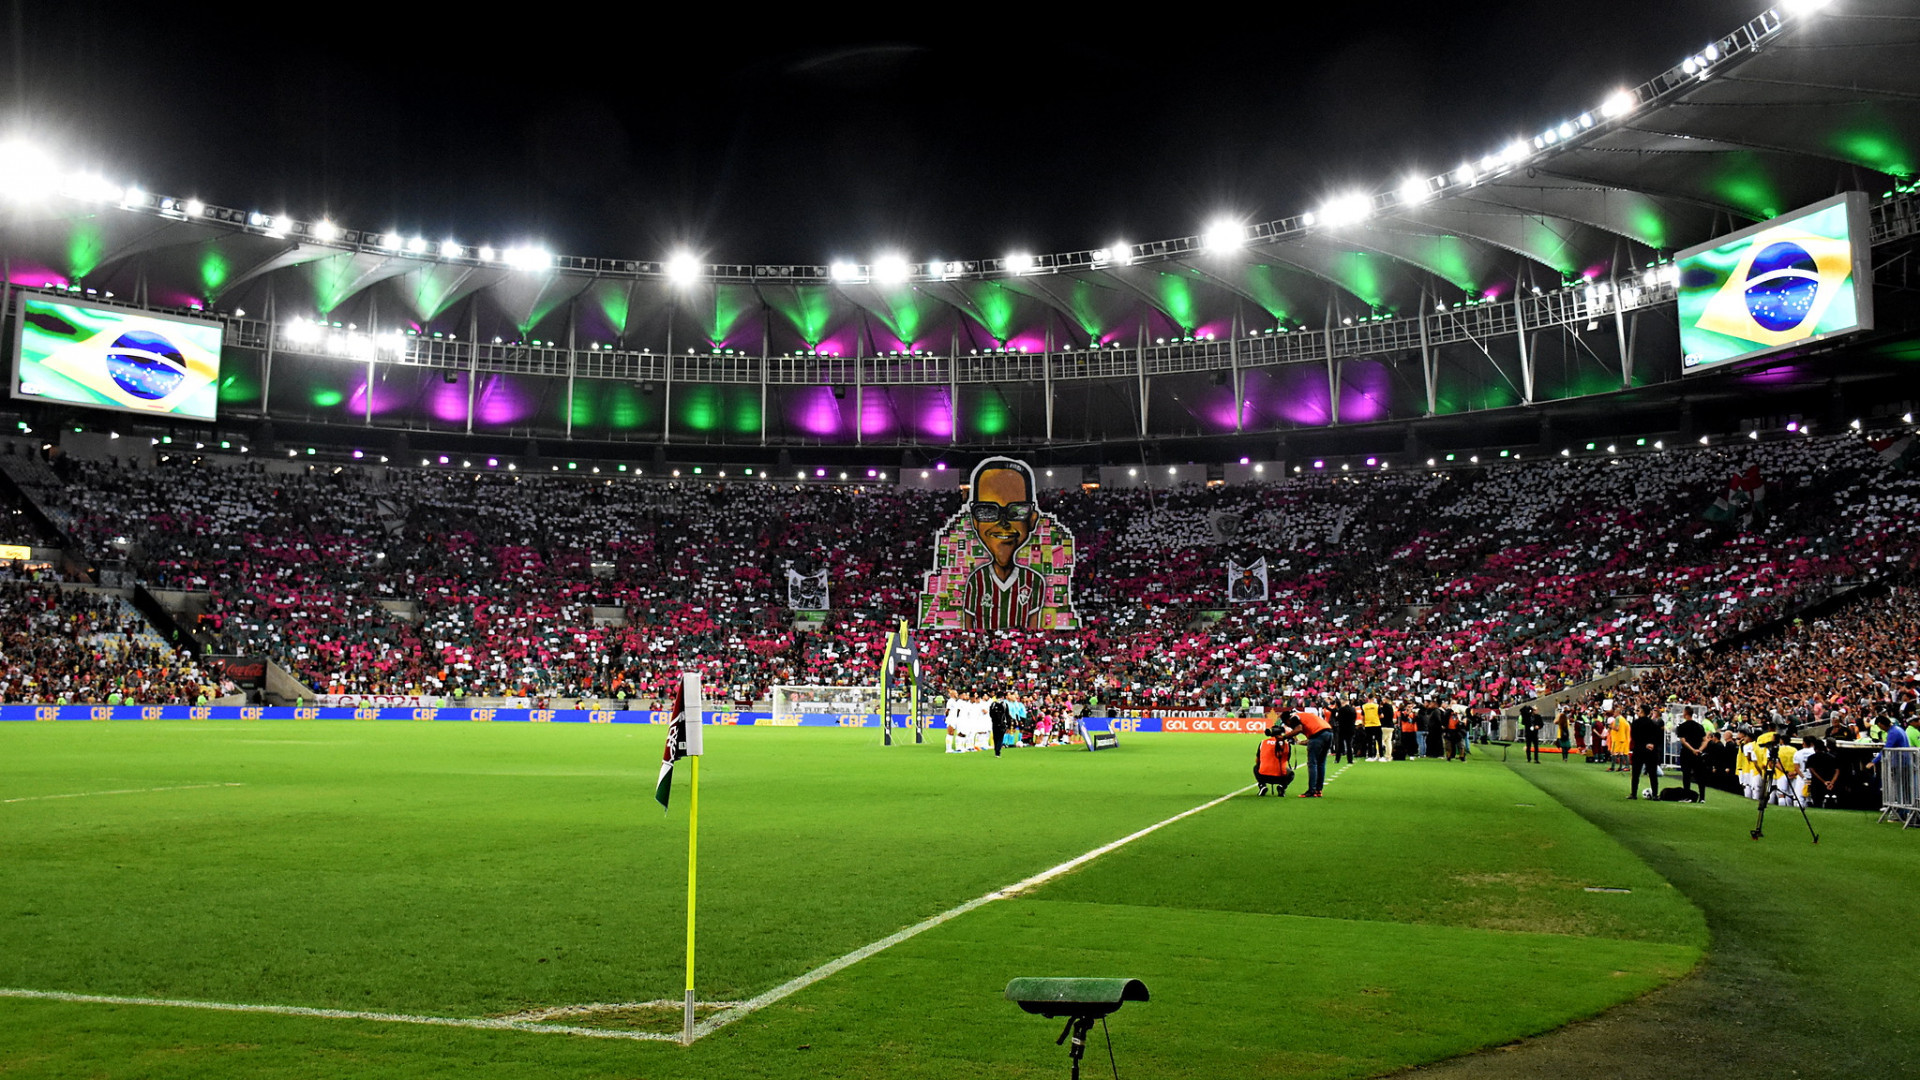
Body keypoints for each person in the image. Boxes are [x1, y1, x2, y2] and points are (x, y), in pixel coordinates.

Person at [960, 457, 1049, 630]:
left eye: (1016, 511)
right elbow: (968, 624)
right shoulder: (976, 580)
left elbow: (1033, 626)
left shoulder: (1034, 580)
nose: (1003, 523)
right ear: (975, 521)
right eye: (987, 511)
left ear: (1032, 519)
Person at [1282, 706, 1334, 797]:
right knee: (1321, 763)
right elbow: (1312, 738)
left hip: (1318, 735)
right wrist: (1299, 742)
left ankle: (1311, 790)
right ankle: (1318, 790)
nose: (1290, 726)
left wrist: (1284, 737)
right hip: (1329, 733)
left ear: (1287, 720)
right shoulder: (1304, 716)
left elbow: (1298, 729)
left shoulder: (1294, 718)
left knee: (1312, 763)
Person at [1627, 707, 1664, 799]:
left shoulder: (1636, 723)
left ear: (1642, 712)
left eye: (1638, 710)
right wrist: (1652, 744)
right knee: (1652, 774)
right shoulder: (1654, 724)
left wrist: (1644, 744)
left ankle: (1634, 793)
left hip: (1639, 750)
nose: (1637, 712)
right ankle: (1655, 794)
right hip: (1652, 751)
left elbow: (1634, 737)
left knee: (1636, 773)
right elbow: (1659, 737)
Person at [1675, 706, 1709, 802]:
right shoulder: (1699, 726)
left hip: (1687, 753)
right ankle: (1702, 797)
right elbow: (1705, 740)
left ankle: (1687, 796)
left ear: (1685, 714)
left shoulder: (1682, 726)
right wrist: (1699, 750)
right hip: (1697, 754)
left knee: (1686, 775)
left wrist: (1692, 749)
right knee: (1699, 776)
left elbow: (1683, 741)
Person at [1253, 724, 1293, 797]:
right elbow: (1287, 759)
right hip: (1280, 776)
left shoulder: (1263, 742)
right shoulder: (1286, 744)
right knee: (1290, 773)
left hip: (1264, 775)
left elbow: (1257, 760)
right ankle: (1282, 786)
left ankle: (1262, 785)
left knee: (1256, 767)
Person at [1332, 697, 1358, 764]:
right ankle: (1350, 760)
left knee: (1340, 745)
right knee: (1349, 745)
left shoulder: (1341, 710)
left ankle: (1337, 759)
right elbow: (1355, 718)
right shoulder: (1352, 709)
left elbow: (1337, 718)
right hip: (1350, 728)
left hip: (1342, 729)